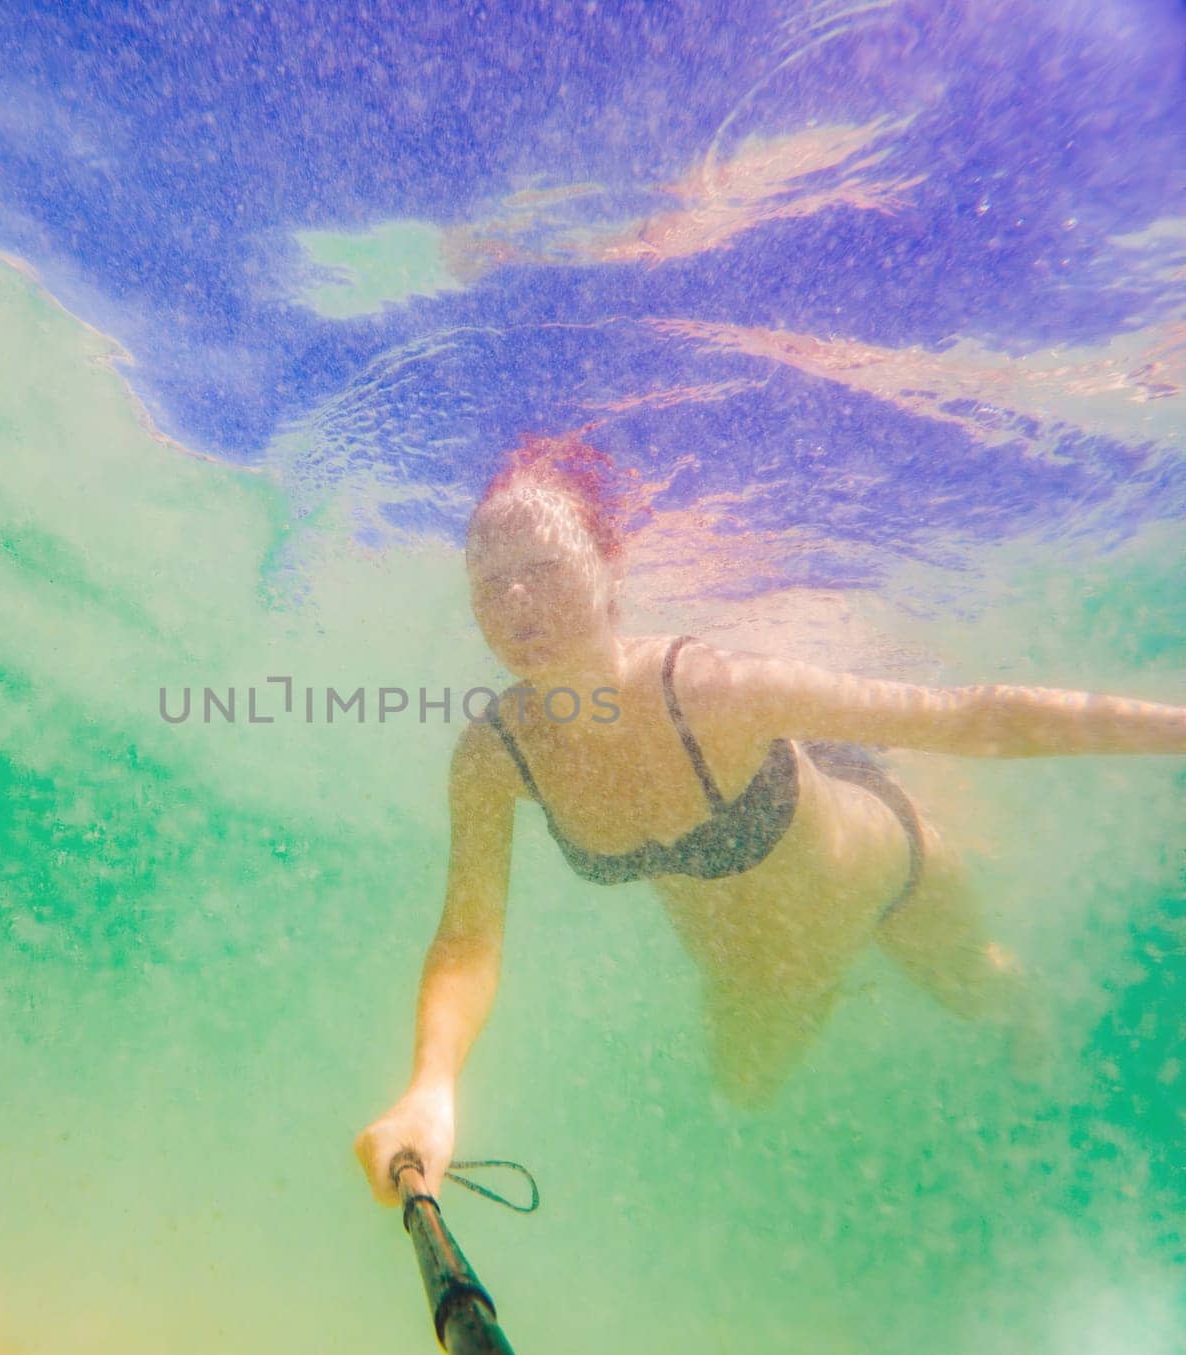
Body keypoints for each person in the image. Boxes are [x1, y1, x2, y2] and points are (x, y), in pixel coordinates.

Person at [353, 438, 1186, 1207]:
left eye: (540, 567)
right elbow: (468, 939)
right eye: (489, 585)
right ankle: (832, 990)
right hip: (759, 972)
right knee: (744, 1093)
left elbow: (968, 717)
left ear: (610, 563)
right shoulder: (493, 754)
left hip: (890, 879)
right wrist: (434, 1087)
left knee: (985, 993)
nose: (518, 601)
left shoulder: (707, 688)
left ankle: (1022, 1004)